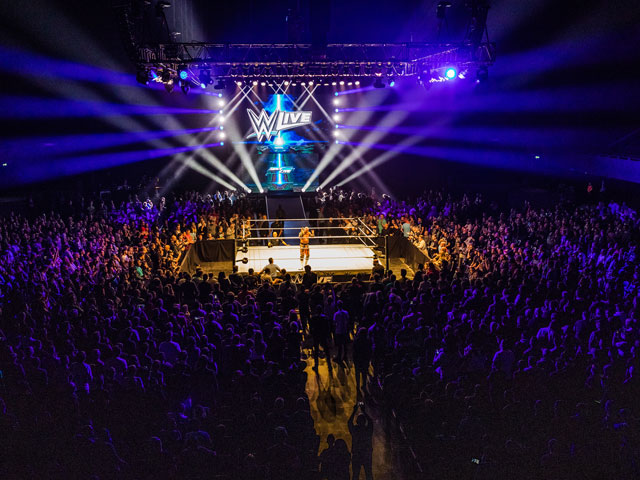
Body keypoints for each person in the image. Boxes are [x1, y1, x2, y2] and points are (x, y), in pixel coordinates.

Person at [348, 403, 374, 480]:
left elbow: (349, 423)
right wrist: (364, 411)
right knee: (368, 474)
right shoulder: (367, 430)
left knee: (356, 475)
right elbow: (371, 422)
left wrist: (354, 411)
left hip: (358, 454)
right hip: (366, 454)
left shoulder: (355, 430)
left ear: (357, 421)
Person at [310, 304, 333, 373]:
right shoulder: (325, 318)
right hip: (323, 335)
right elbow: (328, 328)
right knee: (326, 351)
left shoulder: (313, 318)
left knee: (316, 351)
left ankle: (316, 366)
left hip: (316, 335)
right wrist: (328, 335)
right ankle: (329, 366)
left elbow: (311, 328)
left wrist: (312, 335)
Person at [352, 328, 372, 392]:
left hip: (358, 359)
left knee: (357, 373)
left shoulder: (356, 340)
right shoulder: (368, 341)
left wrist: (354, 359)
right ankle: (364, 385)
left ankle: (357, 385)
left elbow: (354, 350)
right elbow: (370, 351)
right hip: (365, 359)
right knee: (364, 373)